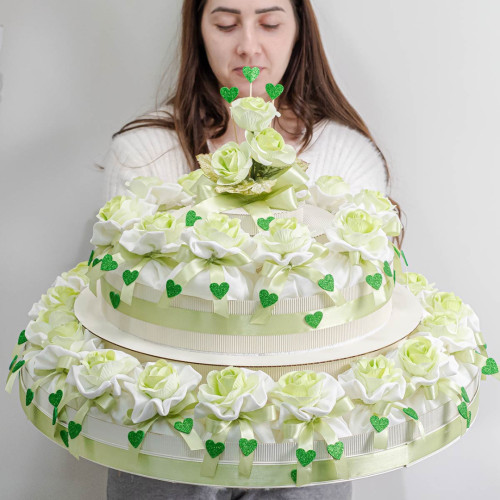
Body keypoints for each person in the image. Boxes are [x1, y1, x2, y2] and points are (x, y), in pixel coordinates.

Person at [101, 0, 402, 498]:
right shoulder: (146, 153)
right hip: (169, 433)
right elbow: (125, 309)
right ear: (197, 30)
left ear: (299, 30)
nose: (248, 45)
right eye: (225, 22)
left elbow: (361, 307)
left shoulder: (344, 157)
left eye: (268, 21)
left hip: (303, 433)